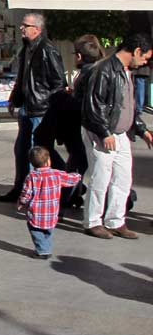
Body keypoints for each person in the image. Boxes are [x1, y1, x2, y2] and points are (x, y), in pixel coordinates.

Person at [80, 32, 153, 239]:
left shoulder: (126, 71)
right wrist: (104, 133)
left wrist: (142, 129)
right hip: (103, 133)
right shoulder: (104, 70)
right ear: (137, 51)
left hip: (120, 133)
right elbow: (94, 105)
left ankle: (115, 220)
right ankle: (93, 221)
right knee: (100, 176)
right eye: (145, 57)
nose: (145, 61)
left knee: (123, 177)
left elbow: (128, 106)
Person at [0, 12, 66, 202]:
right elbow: (23, 78)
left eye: (25, 25)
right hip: (28, 107)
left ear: (37, 29)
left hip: (40, 110)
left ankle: (68, 183)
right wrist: (14, 98)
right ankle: (20, 188)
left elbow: (59, 82)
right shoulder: (27, 48)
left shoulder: (47, 50)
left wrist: (50, 108)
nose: (22, 28)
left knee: (41, 152)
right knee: (22, 150)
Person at [33, 33, 103, 209]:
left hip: (79, 126)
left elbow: (87, 103)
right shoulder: (94, 70)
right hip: (78, 126)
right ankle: (71, 193)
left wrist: (67, 97)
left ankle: (65, 197)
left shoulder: (89, 73)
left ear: (79, 56)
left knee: (78, 164)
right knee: (78, 163)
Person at [17, 146, 82, 259]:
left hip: (36, 213)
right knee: (48, 231)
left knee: (36, 231)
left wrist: (21, 202)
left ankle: (42, 251)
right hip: (52, 213)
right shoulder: (57, 174)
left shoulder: (31, 176)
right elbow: (70, 179)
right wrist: (78, 175)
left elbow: (26, 193)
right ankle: (45, 247)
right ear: (48, 161)